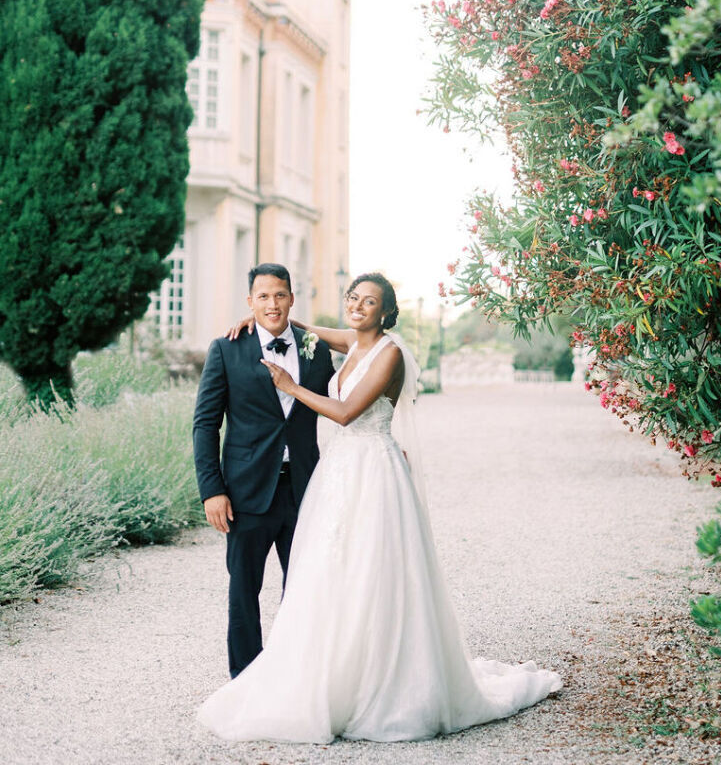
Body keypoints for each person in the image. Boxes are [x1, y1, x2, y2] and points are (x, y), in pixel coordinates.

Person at [197, 271, 561, 743]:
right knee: (288, 587)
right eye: (353, 297)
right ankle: (265, 682)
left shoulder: (380, 354)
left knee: (353, 579)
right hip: (303, 482)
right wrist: (263, 313)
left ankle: (364, 685)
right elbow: (220, 408)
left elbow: (347, 413)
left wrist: (290, 384)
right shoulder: (326, 343)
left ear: (386, 311)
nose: (358, 305)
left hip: (350, 477)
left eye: (369, 301)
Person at [192, 262, 335, 678]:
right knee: (243, 594)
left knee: (305, 591)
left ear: (292, 297)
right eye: (263, 296)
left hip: (306, 490)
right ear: (250, 301)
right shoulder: (226, 349)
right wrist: (211, 490)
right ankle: (246, 683)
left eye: (280, 295)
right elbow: (205, 423)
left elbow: (339, 403)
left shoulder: (316, 348)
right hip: (244, 493)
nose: (272, 304)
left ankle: (297, 680)